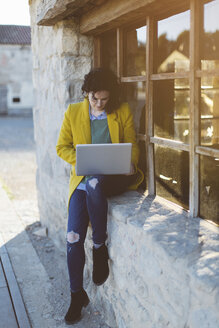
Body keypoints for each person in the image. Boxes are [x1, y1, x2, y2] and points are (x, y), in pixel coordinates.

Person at [56, 67, 143, 325]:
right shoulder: (74, 112)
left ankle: (99, 247)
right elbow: (61, 147)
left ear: (110, 97)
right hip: (82, 180)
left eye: (104, 99)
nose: (98, 103)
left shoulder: (122, 111)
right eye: (94, 97)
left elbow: (132, 144)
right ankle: (76, 295)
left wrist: (131, 163)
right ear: (87, 93)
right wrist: (80, 160)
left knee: (96, 183)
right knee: (72, 238)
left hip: (112, 177)